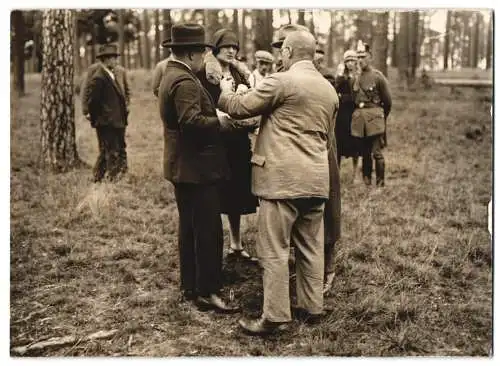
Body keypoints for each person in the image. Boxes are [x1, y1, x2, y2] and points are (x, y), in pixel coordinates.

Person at [218, 30, 339, 335]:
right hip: (316, 179)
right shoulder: (328, 90)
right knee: (310, 247)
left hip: (280, 180)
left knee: (274, 249)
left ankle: (274, 317)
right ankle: (312, 308)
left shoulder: (281, 81)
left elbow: (238, 107)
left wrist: (223, 89)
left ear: (286, 52)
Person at [158, 23, 239, 313]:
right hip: (198, 168)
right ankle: (209, 292)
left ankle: (190, 286)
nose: (205, 57)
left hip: (183, 165)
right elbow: (191, 123)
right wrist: (220, 121)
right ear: (192, 53)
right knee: (208, 231)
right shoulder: (186, 82)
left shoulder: (172, 74)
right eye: (203, 52)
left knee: (189, 227)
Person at [271, 24, 341, 295]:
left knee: (327, 211)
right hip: (293, 156)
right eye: (277, 48)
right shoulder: (280, 75)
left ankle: (327, 268)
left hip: (320, 149)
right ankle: (302, 272)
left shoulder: (317, 78)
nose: (280, 55)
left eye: (282, 49)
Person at [197, 28, 259, 263]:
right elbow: (201, 103)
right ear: (215, 48)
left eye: (235, 47)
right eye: (227, 47)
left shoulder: (240, 74)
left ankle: (236, 244)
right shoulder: (205, 73)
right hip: (215, 139)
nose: (232, 51)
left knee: (236, 193)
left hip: (238, 141)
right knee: (215, 193)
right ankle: (213, 247)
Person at [82, 44, 129, 182]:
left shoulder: (109, 74)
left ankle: (97, 178)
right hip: (107, 122)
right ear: (106, 60)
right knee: (110, 151)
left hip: (114, 120)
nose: (116, 61)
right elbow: (93, 102)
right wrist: (99, 119)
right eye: (113, 58)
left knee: (106, 150)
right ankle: (111, 180)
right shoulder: (99, 78)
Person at [352, 43, 392, 187]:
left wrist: (381, 118)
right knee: (365, 153)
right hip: (359, 121)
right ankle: (367, 182)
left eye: (363, 57)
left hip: (375, 120)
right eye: (358, 57)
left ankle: (380, 185)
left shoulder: (378, 77)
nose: (360, 60)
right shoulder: (355, 77)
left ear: (370, 58)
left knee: (377, 153)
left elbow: (387, 102)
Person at [334, 50, 363, 182]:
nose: (350, 63)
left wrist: (344, 97)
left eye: (352, 61)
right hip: (342, 115)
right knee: (340, 142)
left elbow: (356, 96)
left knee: (356, 143)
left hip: (355, 113)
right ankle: (337, 173)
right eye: (348, 61)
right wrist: (340, 76)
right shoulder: (341, 76)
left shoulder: (359, 75)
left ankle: (355, 173)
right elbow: (335, 91)